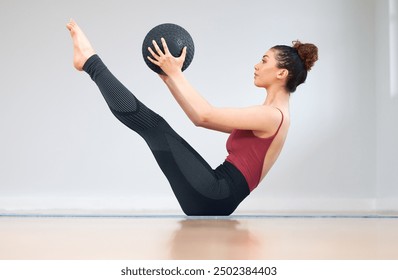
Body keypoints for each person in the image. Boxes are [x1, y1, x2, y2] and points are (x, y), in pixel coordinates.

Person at [66, 19, 318, 216]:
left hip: (215, 195)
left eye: (264, 61)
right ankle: (89, 62)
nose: (257, 65)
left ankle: (89, 61)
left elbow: (205, 114)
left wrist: (176, 73)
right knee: (155, 126)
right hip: (215, 194)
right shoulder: (270, 115)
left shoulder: (272, 116)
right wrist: (168, 78)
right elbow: (197, 118)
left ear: (281, 73)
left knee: (154, 126)